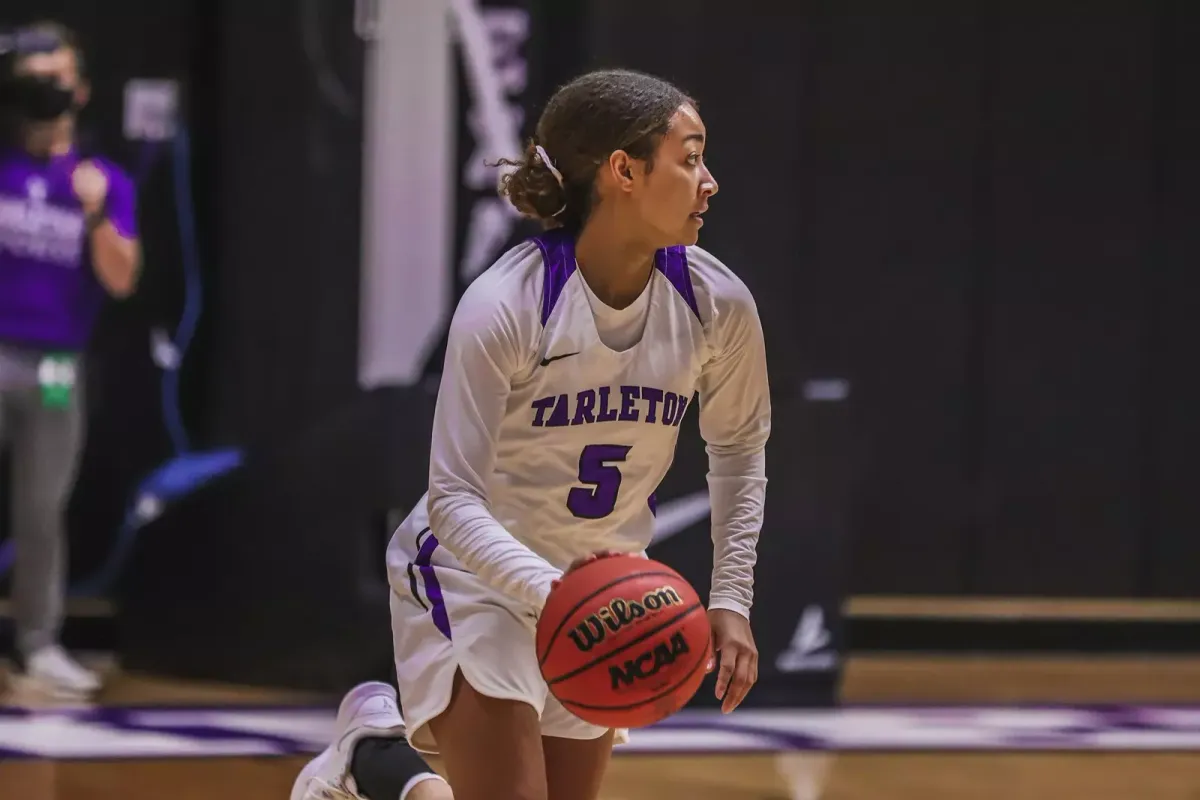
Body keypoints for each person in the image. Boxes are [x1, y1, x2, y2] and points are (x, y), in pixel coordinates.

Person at [293, 67, 770, 800]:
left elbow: (738, 451)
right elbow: (452, 502)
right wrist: (558, 598)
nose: (709, 181)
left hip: (600, 581)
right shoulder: (506, 306)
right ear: (624, 172)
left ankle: (372, 765)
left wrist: (730, 601)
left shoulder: (718, 304)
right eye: (691, 155)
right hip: (472, 578)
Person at [0, 22, 141, 697]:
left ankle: (36, 644)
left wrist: (92, 215)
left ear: (80, 91)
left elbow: (122, 279)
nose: (44, 93)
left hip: (56, 366)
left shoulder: (104, 181)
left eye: (56, 79)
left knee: (41, 506)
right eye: (33, 79)